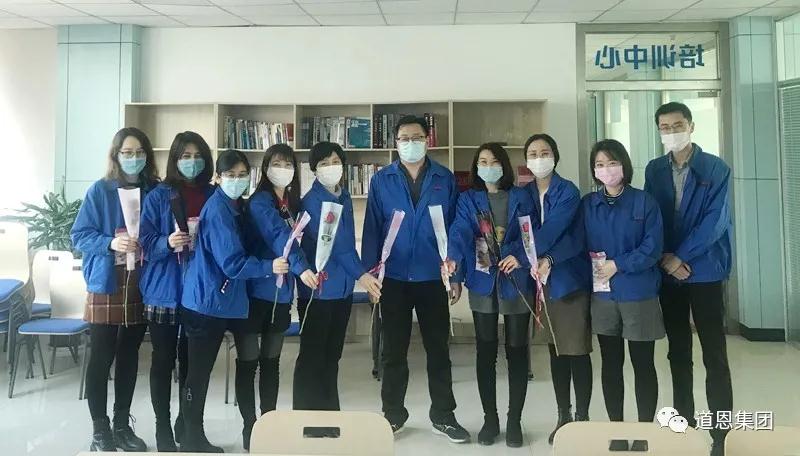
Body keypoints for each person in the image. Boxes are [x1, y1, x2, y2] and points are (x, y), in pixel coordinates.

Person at [361, 115, 470, 443]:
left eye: (417, 137)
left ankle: (444, 415)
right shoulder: (382, 180)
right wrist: (370, 276)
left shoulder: (444, 178)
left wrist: (456, 275)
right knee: (393, 351)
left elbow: (456, 227)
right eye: (404, 138)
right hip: (392, 277)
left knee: (438, 349)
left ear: (427, 140)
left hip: (433, 276)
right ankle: (392, 415)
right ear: (396, 143)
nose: (411, 143)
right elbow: (372, 228)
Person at [179, 150, 288, 453]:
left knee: (199, 372)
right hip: (206, 304)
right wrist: (269, 266)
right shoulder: (218, 210)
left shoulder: (235, 206)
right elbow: (232, 263)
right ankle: (191, 438)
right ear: (217, 177)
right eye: (230, 175)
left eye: (242, 175)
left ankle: (188, 432)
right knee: (198, 374)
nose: (237, 180)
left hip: (219, 301)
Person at [644, 102, 733, 456]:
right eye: (664, 127)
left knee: (714, 353)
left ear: (691, 126)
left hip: (705, 269)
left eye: (677, 125)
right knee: (678, 352)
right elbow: (650, 218)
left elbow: (715, 221)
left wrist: (680, 256)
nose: (671, 132)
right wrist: (665, 258)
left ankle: (722, 435)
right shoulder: (654, 170)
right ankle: (684, 424)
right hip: (670, 272)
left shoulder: (716, 168)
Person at [71, 127, 160, 452]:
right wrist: (110, 242)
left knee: (129, 356)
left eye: (139, 152)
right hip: (107, 280)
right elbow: (79, 235)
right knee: (101, 356)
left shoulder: (154, 190)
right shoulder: (100, 190)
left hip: (141, 281)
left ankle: (122, 425)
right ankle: (100, 430)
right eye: (127, 152)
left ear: (147, 155)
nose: (134, 158)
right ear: (116, 155)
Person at [446, 143, 534, 447]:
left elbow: (532, 234)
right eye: (482, 161)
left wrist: (515, 254)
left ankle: (514, 421)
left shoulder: (522, 196)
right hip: (482, 279)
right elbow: (459, 233)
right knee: (485, 352)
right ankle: (490, 419)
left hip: (516, 279)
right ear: (476, 167)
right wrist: (454, 271)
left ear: (504, 165)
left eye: (494, 161)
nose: (488, 166)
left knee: (517, 351)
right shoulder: (468, 199)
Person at [581, 139, 665, 452]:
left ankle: (644, 432)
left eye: (612, 163)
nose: (607, 169)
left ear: (624, 166)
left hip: (638, 293)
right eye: (600, 164)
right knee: (611, 363)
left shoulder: (644, 202)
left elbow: (652, 247)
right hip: (603, 295)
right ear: (594, 170)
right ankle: (616, 430)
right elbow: (577, 242)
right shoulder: (588, 204)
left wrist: (619, 264)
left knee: (643, 364)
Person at [294, 142, 382, 415]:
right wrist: (362, 275)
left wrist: (358, 276)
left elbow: (348, 245)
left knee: (332, 357)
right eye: (323, 163)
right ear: (314, 169)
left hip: (342, 290)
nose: (331, 167)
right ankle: (305, 419)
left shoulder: (343, 196)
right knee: (312, 358)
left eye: (335, 161)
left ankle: (329, 415)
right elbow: (338, 245)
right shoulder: (312, 201)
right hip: (318, 292)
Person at [139, 131, 215, 451]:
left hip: (201, 292)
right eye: (185, 156)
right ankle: (162, 429)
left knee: (192, 364)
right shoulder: (159, 195)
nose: (192, 162)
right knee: (163, 361)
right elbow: (143, 242)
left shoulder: (214, 194)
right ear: (174, 159)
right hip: (165, 291)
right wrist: (166, 243)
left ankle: (187, 426)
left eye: (197, 156)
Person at [243, 144, 317, 449]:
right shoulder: (260, 201)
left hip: (280, 296)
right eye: (276, 163)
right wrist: (302, 268)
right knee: (248, 362)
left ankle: (269, 423)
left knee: (271, 362)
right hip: (254, 294)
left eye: (288, 164)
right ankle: (250, 427)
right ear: (265, 168)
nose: (283, 169)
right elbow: (279, 236)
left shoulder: (291, 204)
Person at [523, 134, 593, 444]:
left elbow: (567, 235)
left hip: (568, 280)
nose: (539, 158)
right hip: (541, 283)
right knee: (556, 351)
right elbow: (518, 231)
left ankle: (582, 417)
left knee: (576, 350)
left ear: (555, 156)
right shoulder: (524, 193)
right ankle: (563, 415)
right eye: (533, 153)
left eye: (545, 152)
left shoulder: (568, 191)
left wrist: (543, 257)